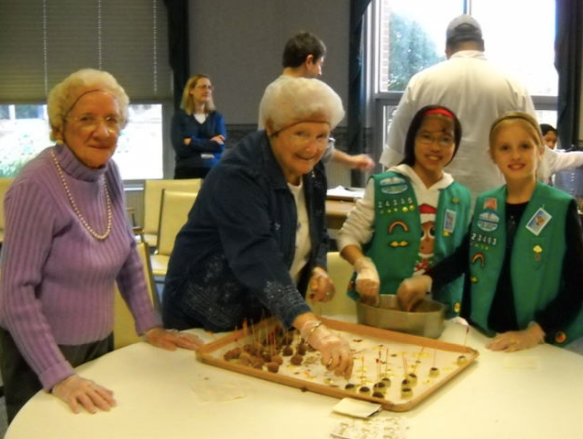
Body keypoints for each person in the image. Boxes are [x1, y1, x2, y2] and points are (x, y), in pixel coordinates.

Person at [0, 69, 202, 422]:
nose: (102, 132)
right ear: (59, 126)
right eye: (87, 119)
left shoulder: (108, 172)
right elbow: (15, 296)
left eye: (111, 119)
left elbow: (127, 256)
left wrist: (150, 324)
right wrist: (59, 376)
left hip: (95, 336)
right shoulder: (34, 187)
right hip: (38, 343)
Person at [162, 77, 354, 379]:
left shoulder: (313, 169)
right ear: (270, 128)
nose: (312, 148)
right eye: (301, 133)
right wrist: (312, 327)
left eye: (322, 136)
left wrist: (316, 266)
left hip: (261, 319)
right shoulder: (237, 176)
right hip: (207, 318)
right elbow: (256, 256)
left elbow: (314, 227)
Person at [397, 112, 583, 352]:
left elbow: (579, 284)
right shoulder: (489, 203)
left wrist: (534, 333)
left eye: (524, 146)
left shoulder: (560, 207)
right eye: (505, 148)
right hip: (485, 332)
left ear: (540, 151)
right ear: (493, 156)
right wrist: (427, 279)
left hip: (538, 338)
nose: (516, 155)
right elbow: (466, 255)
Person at [380, 15, 583, 201]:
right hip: (493, 203)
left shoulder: (421, 82)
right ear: (482, 46)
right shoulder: (511, 84)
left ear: (447, 48)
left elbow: (396, 152)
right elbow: (536, 152)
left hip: (432, 202)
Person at [337, 105, 470, 317]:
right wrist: (363, 266)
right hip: (382, 305)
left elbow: (461, 256)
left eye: (445, 139)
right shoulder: (385, 185)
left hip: (437, 311)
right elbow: (348, 236)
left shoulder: (460, 196)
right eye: (426, 137)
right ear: (412, 140)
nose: (435, 147)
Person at [258, 31, 375, 172]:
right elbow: (320, 148)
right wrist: (351, 160)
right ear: (309, 61)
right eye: (320, 64)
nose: (320, 72)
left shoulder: (272, 90)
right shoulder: (300, 93)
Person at [171, 73, 227, 179]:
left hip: (212, 172)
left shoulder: (216, 117)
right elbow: (181, 149)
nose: (207, 91)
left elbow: (220, 146)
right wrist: (210, 143)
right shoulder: (180, 117)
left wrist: (191, 141)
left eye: (209, 87)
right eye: (203, 87)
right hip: (186, 172)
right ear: (191, 90)